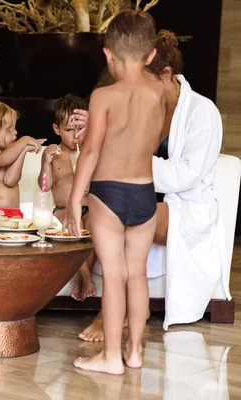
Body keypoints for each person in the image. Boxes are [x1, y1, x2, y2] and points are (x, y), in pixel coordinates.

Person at [78, 30, 230, 341]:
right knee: (93, 217)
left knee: (128, 218)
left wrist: (125, 156)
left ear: (167, 74)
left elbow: (185, 175)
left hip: (185, 208)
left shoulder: (203, 112)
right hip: (139, 194)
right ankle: (118, 301)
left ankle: (112, 312)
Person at [64, 10, 165, 374]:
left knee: (115, 276)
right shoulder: (161, 91)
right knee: (137, 275)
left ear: (108, 54)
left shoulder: (103, 95)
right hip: (144, 192)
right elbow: (153, 135)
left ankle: (110, 357)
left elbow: (90, 151)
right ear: (152, 54)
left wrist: (76, 199)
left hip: (108, 193)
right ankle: (135, 351)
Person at [40, 94, 97, 301]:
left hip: (89, 208)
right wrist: (45, 162)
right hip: (63, 209)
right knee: (71, 227)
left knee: (96, 227)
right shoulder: (54, 155)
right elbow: (44, 186)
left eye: (80, 130)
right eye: (69, 130)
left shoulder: (90, 153)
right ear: (57, 130)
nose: (75, 137)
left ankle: (81, 280)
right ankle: (86, 278)